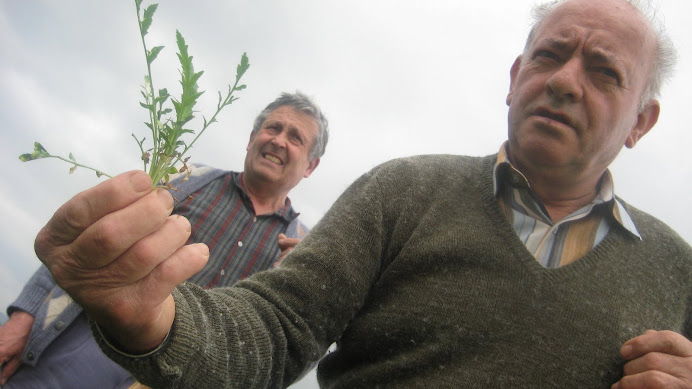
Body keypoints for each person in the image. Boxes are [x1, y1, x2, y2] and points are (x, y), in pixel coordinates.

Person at [29, 0, 692, 387]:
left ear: (642, 120)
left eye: (605, 72)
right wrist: (152, 319)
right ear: (516, 76)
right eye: (550, 56)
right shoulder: (405, 191)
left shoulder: (676, 271)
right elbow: (278, 327)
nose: (567, 81)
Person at [0, 91, 329, 388]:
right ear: (251, 138)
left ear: (310, 166)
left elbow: (292, 350)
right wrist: (24, 316)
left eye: (295, 137)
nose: (279, 140)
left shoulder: (301, 252)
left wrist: (293, 289)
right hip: (84, 350)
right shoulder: (187, 178)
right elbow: (92, 238)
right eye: (272, 128)